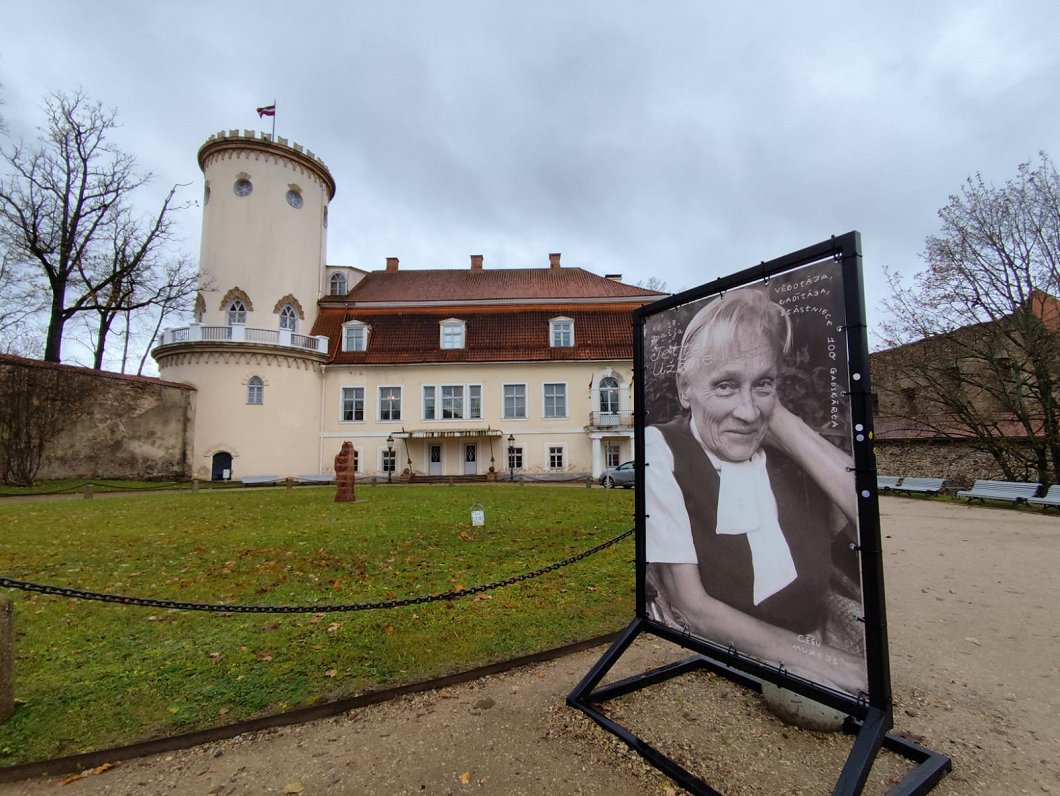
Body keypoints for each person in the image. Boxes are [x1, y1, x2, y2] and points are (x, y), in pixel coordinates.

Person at [645, 287, 867, 694]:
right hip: (726, 667)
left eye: (763, 383)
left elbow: (871, 515)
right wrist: (841, 668)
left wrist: (778, 417)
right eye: (725, 385)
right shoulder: (662, 449)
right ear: (684, 389)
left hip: (819, 642)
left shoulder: (789, 453)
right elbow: (694, 609)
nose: (747, 412)